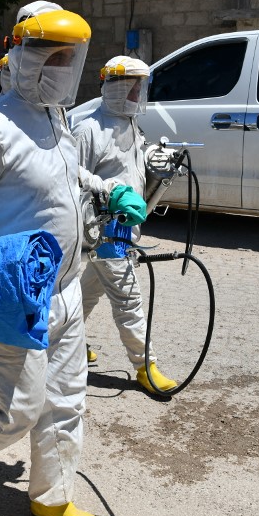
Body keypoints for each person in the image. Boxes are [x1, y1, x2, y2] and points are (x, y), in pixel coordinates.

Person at [0, 8, 148, 516]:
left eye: (70, 60)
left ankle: (52, 497)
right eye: (51, 58)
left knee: (68, 400)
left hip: (65, 286)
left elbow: (66, 173)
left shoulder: (56, 118)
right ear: (20, 58)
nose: (61, 70)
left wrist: (107, 190)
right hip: (11, 298)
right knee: (18, 410)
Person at [68, 56, 178, 393]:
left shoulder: (130, 124)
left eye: (140, 87)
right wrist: (99, 215)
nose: (136, 93)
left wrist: (154, 161)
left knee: (85, 294)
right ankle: (145, 365)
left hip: (124, 229)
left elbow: (128, 168)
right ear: (115, 86)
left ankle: (65, 348)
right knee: (128, 299)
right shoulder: (89, 130)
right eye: (131, 86)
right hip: (103, 233)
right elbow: (71, 181)